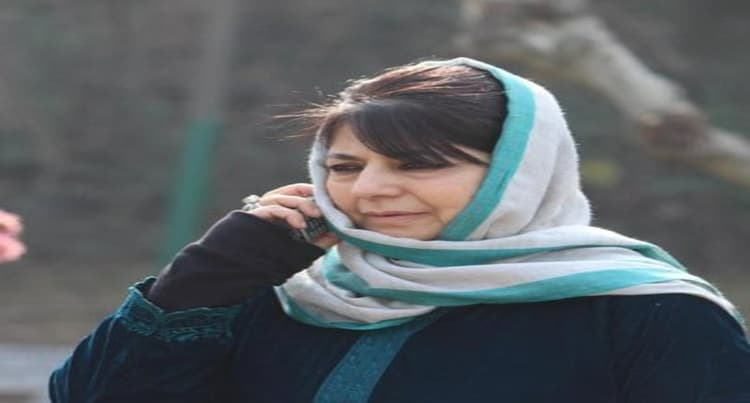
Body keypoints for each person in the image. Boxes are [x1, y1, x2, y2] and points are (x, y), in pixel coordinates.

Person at [49, 57, 750, 402]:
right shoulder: (290, 295)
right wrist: (200, 280)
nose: (370, 190)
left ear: (521, 173)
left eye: (419, 163)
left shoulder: (648, 314)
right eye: (346, 166)